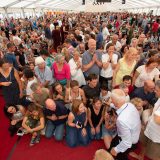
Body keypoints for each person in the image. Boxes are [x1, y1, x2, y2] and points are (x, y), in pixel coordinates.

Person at [109, 89, 141, 160]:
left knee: (120, 156)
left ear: (116, 102)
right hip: (133, 135)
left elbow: (127, 142)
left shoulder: (121, 120)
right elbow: (119, 106)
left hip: (128, 141)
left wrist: (116, 150)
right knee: (113, 143)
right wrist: (110, 104)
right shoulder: (130, 105)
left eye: (111, 99)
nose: (110, 100)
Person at [141, 80, 160, 160]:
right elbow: (154, 109)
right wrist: (149, 119)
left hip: (157, 134)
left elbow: (157, 120)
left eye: (157, 90)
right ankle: (140, 157)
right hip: (149, 126)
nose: (154, 91)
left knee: (154, 155)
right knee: (144, 143)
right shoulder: (158, 98)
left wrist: (155, 116)